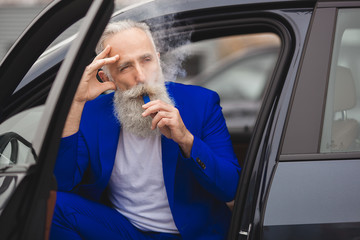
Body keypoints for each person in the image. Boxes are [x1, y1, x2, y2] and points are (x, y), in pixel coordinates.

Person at [50, 19, 241, 240]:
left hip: (191, 235)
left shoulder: (201, 103)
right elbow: (62, 184)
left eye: (146, 60)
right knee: (53, 204)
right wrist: (75, 103)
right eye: (125, 67)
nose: (140, 76)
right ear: (106, 77)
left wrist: (186, 140)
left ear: (158, 60)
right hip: (124, 231)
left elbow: (230, 189)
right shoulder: (92, 112)